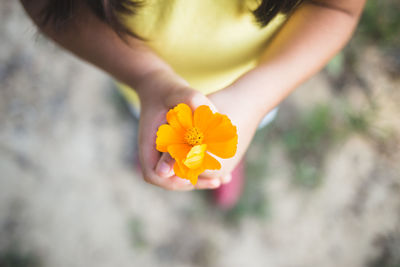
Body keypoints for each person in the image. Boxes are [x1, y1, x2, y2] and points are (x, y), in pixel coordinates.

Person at [20, 0, 366, 207]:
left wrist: (254, 98)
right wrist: (147, 79)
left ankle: (223, 165)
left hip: (250, 85)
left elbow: (337, 8)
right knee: (152, 127)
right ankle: (168, 152)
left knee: (234, 137)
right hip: (142, 79)